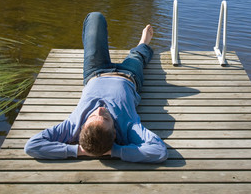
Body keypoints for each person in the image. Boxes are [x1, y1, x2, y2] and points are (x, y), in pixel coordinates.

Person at [24, 12, 168, 163]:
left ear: (82, 128)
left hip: (95, 71)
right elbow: (158, 151)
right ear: (114, 133)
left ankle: (139, 46)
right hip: (129, 76)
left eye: (92, 117)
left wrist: (78, 151)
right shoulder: (129, 129)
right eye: (106, 117)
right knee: (137, 55)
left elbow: (32, 146)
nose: (99, 110)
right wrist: (114, 151)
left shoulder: (72, 126)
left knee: (95, 17)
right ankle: (143, 43)